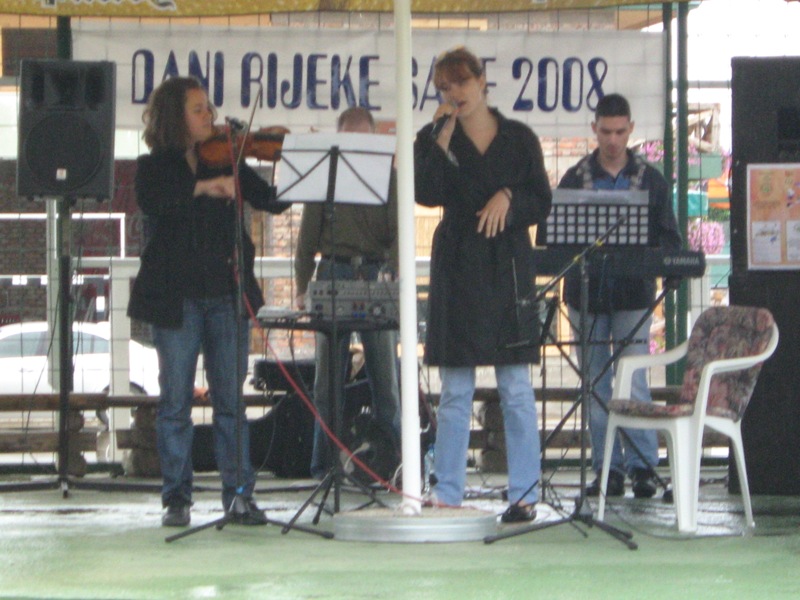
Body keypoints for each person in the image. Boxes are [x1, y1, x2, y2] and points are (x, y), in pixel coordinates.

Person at [128, 76, 289, 527]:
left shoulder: (228, 157)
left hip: (225, 294)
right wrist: (203, 187)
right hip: (176, 298)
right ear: (175, 117)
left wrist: (294, 162)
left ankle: (239, 496)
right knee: (175, 403)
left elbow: (272, 201)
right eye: (198, 109)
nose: (210, 117)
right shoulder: (154, 166)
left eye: (209, 109)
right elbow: (155, 201)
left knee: (231, 403)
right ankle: (176, 499)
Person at [414, 48, 552, 523]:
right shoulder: (434, 137)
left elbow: (541, 198)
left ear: (481, 81)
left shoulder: (518, 138)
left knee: (515, 386)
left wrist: (509, 196)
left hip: (506, 265)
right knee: (456, 389)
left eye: (461, 82)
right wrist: (439, 139)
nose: (454, 93)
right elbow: (425, 191)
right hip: (458, 264)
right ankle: (448, 492)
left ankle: (524, 494)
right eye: (444, 87)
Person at [557, 93, 682, 499]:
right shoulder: (574, 178)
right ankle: (607, 468)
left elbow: (669, 236)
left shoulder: (652, 180)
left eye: (620, 132)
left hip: (633, 295)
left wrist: (669, 266)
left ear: (631, 130)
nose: (612, 140)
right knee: (595, 384)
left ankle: (643, 467)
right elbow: (558, 242)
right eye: (606, 132)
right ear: (594, 129)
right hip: (586, 296)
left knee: (634, 381)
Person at [294, 107, 401, 481]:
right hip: (332, 272)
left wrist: (392, 271)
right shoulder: (324, 178)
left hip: (375, 274)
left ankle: (391, 464)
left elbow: (399, 234)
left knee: (386, 380)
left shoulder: (389, 179)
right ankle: (324, 466)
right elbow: (306, 239)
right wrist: (301, 288)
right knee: (327, 382)